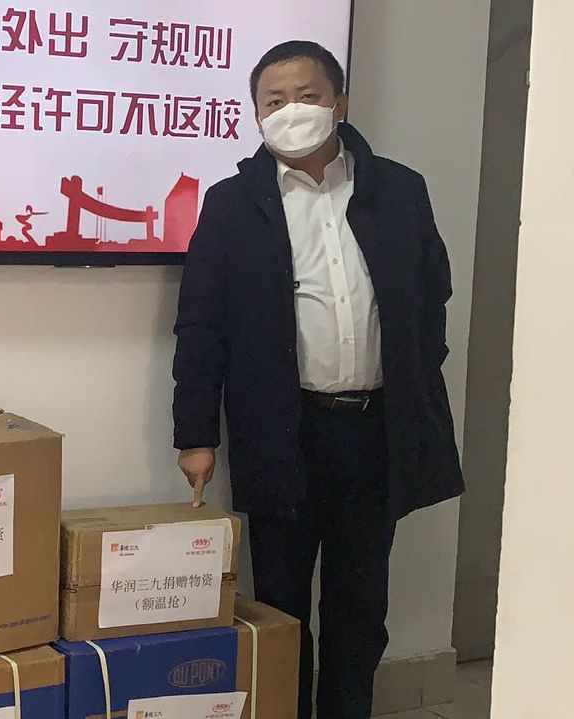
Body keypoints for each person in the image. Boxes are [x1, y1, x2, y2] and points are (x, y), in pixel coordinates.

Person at [173, 41, 463, 719]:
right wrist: (195, 435)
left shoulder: (399, 190)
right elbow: (201, 326)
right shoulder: (231, 204)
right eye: (274, 101)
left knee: (361, 606)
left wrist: (418, 375)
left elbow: (433, 295)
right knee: (280, 605)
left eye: (307, 96)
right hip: (282, 433)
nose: (291, 111)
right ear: (256, 115)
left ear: (340, 104)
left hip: (374, 430)